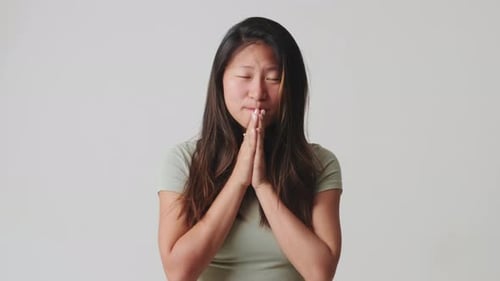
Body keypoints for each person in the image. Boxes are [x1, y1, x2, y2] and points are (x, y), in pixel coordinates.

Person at [156, 16, 343, 281]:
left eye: (273, 78)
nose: (257, 91)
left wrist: (263, 184)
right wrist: (238, 180)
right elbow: (178, 272)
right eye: (244, 76)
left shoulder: (319, 163)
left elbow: (320, 272)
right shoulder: (185, 160)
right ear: (221, 80)